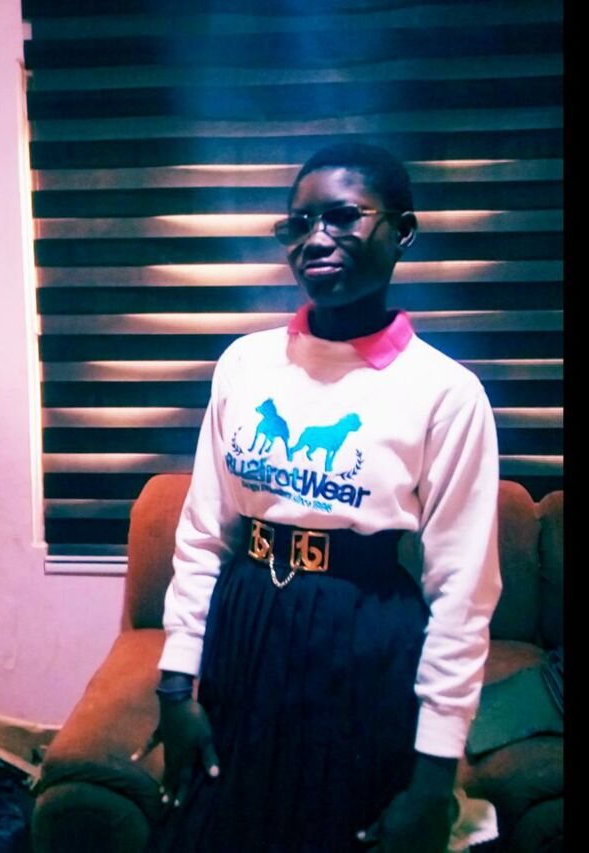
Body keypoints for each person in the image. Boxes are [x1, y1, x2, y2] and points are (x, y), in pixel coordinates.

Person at [132, 142, 502, 853]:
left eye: (342, 217)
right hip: (245, 624)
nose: (316, 239)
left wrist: (433, 781)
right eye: (298, 224)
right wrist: (176, 689)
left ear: (403, 231)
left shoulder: (446, 393)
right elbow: (204, 535)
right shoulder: (245, 365)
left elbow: (462, 595)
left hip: (363, 638)